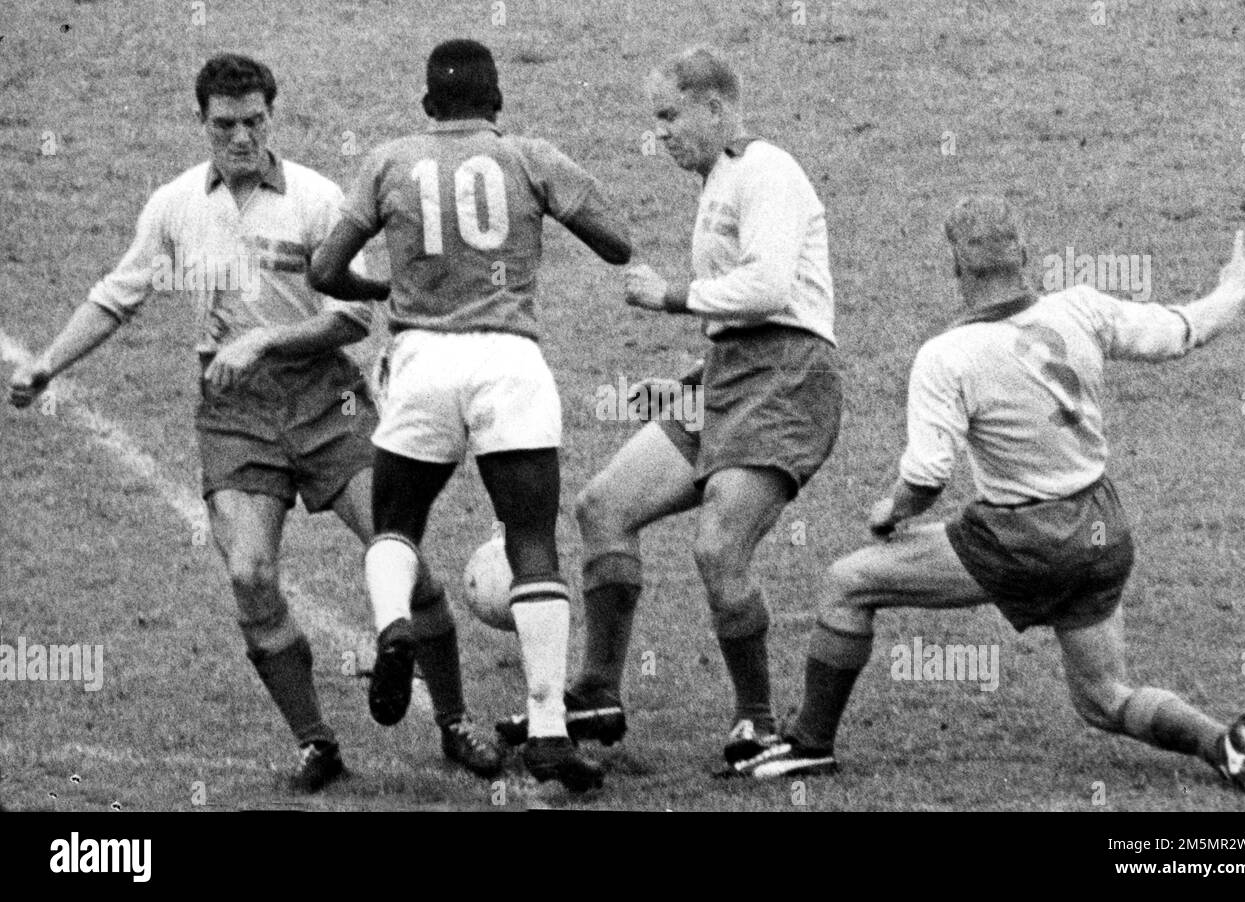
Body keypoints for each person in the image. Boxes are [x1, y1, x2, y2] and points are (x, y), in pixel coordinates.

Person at [7, 54, 497, 791]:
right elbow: (117, 295)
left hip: (325, 399)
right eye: (225, 124)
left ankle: (455, 723)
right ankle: (315, 742)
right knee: (248, 573)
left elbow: (356, 316)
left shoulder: (316, 199)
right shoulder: (175, 203)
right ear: (201, 122)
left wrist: (265, 338)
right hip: (233, 413)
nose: (241, 137)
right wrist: (49, 362)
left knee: (404, 560)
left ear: (273, 117)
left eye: (254, 122)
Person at [737, 195, 1245, 797]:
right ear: (1025, 255)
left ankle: (810, 747)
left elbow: (925, 474)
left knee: (848, 582)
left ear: (957, 271)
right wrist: (1233, 290)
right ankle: (1222, 744)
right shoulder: (1083, 308)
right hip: (1101, 530)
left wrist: (892, 512)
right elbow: (1181, 331)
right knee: (1103, 699)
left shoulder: (948, 356)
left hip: (1023, 541)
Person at [496, 47, 842, 772]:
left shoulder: (765, 169)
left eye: (668, 115)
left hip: (783, 381)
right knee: (603, 506)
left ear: (715, 108)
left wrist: (674, 296)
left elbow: (772, 289)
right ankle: (596, 692)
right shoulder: (721, 176)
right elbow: (744, 304)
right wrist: (704, 357)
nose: (660, 134)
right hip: (730, 375)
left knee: (718, 548)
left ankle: (758, 724)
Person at [307, 39, 633, 791]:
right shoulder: (527, 155)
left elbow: (324, 268)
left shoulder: (389, 160)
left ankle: (394, 627)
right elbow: (616, 244)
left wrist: (379, 289)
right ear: (497, 102)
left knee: (395, 523)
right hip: (510, 365)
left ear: (427, 105)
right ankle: (550, 728)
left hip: (423, 363)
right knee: (531, 539)